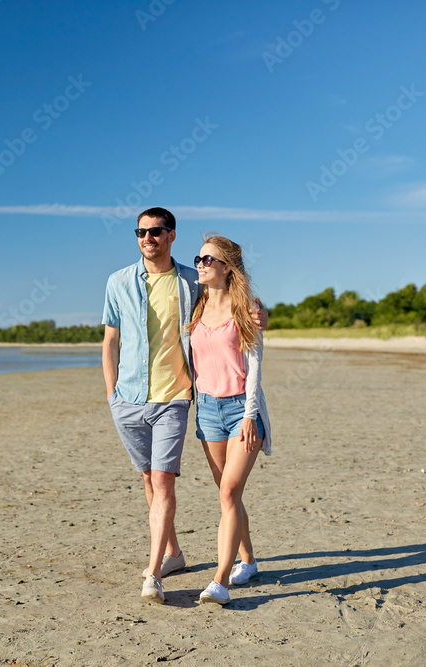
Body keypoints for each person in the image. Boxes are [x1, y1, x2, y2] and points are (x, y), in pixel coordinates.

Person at [102, 208, 267, 605]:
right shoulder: (132, 285)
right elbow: (111, 340)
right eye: (141, 231)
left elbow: (250, 331)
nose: (148, 237)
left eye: (156, 231)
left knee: (207, 489)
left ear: (170, 235)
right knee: (199, 488)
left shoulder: (194, 283)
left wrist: (262, 314)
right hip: (166, 403)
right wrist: (112, 394)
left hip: (196, 403)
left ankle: (192, 577)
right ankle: (223, 556)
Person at [186, 234, 272, 606]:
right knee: (229, 495)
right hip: (207, 409)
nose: (201, 264)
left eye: (209, 259)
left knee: (227, 492)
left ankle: (219, 581)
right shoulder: (195, 305)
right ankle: (249, 560)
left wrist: (251, 414)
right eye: (200, 258)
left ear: (227, 268)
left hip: (240, 410)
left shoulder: (247, 309)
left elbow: (254, 366)